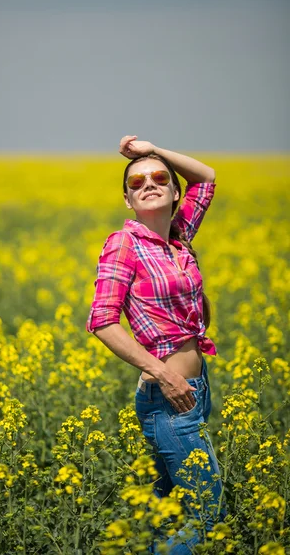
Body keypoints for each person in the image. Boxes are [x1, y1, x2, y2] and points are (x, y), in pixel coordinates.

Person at [86, 135, 227, 554]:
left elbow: (207, 178)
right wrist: (164, 374)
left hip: (194, 391)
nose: (148, 182)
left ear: (173, 189)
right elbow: (102, 321)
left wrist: (153, 149)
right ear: (127, 200)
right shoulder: (123, 244)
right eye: (136, 182)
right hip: (168, 398)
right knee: (207, 514)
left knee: (165, 512)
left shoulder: (178, 236)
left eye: (159, 177)